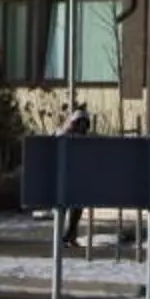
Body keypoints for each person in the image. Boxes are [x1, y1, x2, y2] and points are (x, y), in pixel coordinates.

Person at [58, 97, 94, 245]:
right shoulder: (64, 137)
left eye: (85, 125)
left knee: (77, 207)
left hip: (78, 181)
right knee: (64, 206)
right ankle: (65, 235)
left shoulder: (87, 141)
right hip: (65, 180)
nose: (83, 128)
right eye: (80, 124)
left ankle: (70, 235)